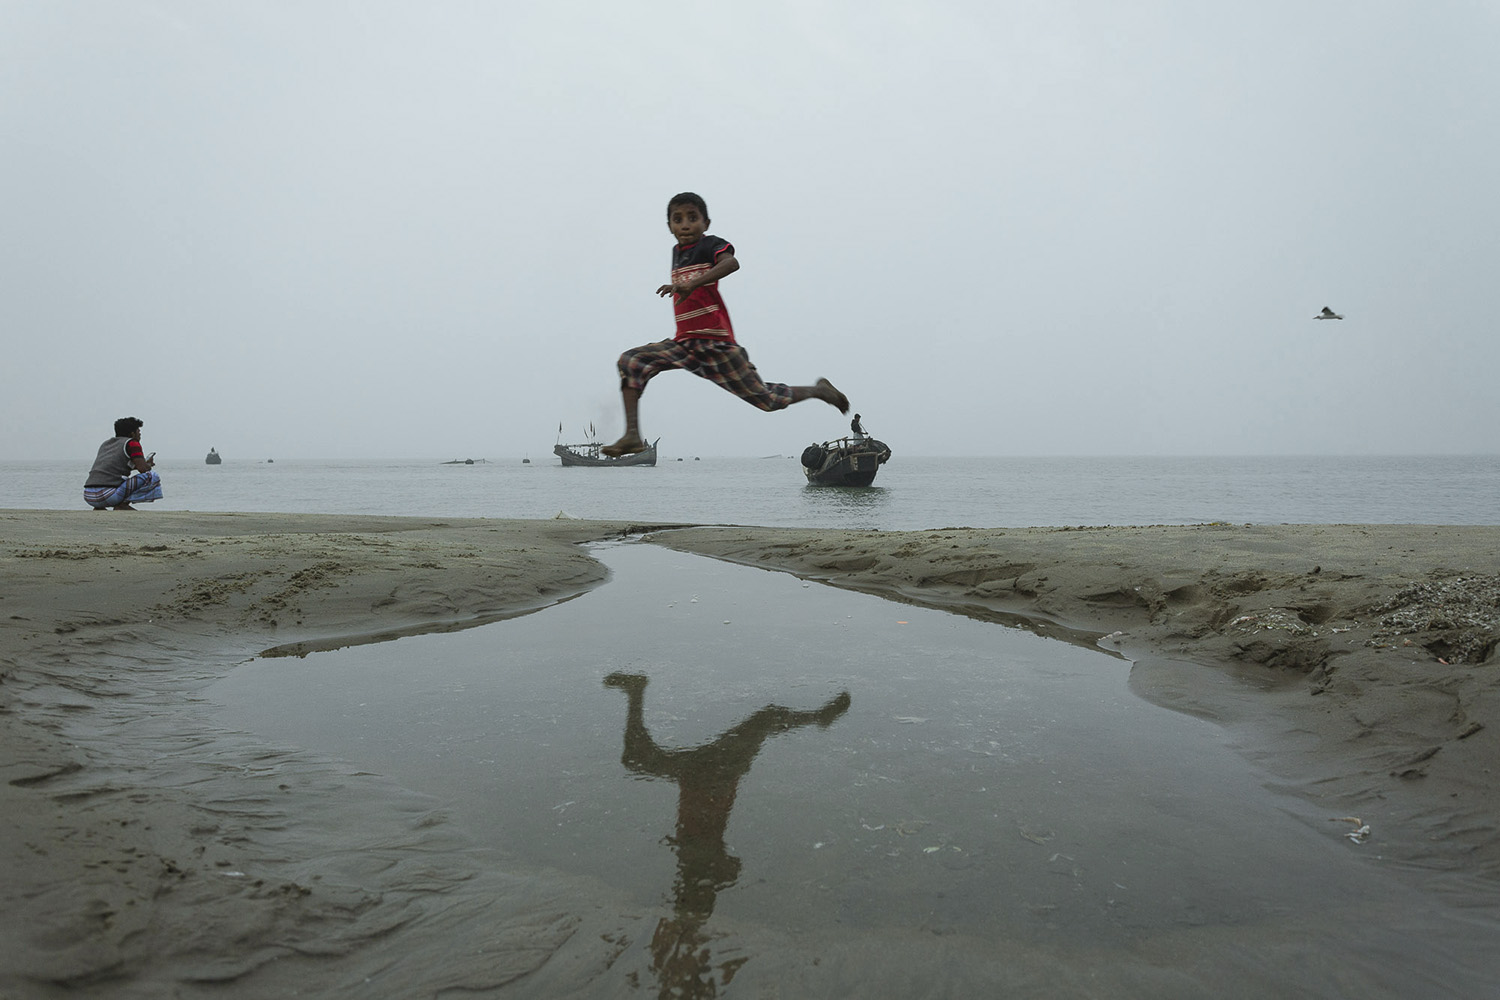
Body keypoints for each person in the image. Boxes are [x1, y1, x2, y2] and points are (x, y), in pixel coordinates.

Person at [601, 192, 849, 457]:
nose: (685, 225)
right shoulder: (677, 252)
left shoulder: (710, 245)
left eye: (692, 218)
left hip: (717, 345)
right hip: (685, 344)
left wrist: (692, 283)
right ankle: (632, 435)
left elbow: (732, 263)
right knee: (631, 362)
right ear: (669, 227)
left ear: (706, 223)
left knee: (766, 400)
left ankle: (819, 391)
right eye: (678, 219)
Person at [83, 417, 162, 510]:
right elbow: (143, 470)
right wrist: (147, 464)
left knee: (121, 480)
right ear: (132, 433)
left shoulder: (106, 444)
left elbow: (114, 467)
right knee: (151, 476)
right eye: (138, 431)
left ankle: (99, 507)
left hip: (89, 496)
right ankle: (122, 504)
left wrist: (139, 465)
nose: (140, 434)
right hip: (109, 496)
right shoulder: (132, 443)